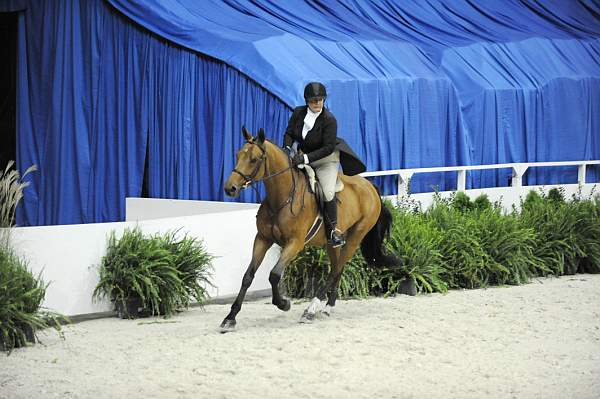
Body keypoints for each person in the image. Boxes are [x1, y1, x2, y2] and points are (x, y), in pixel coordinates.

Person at [283, 82, 365, 248]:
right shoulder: (298, 113)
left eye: (321, 100)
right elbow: (289, 133)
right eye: (314, 100)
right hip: (301, 156)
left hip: (325, 160)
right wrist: (286, 148)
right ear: (307, 101)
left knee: (327, 192)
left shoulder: (329, 120)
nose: (318, 103)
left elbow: (328, 148)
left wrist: (305, 159)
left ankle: (333, 231)